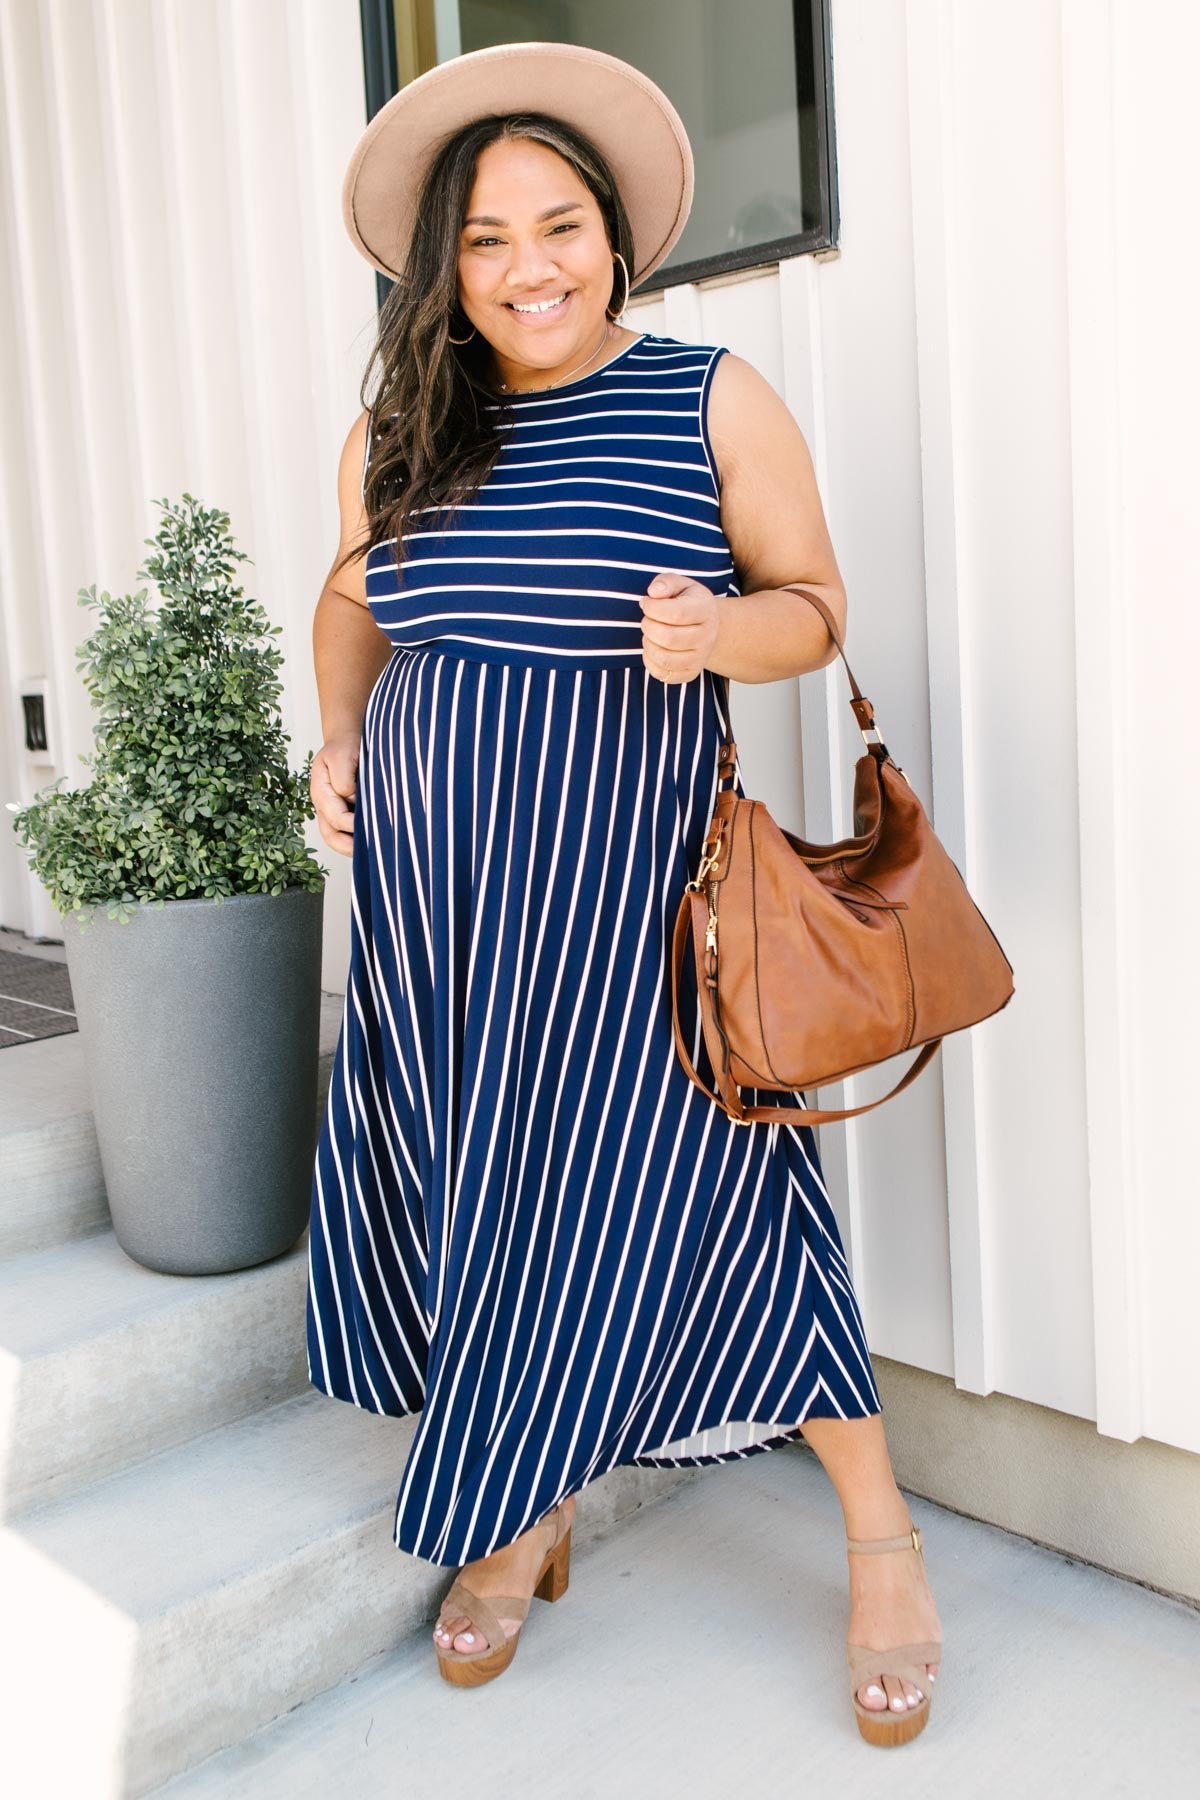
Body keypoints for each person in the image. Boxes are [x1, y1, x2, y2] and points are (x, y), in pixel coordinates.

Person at [306, 41, 942, 1743]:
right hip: (442, 931)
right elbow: (352, 600)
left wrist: (722, 632)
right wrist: (338, 736)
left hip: (636, 925)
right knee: (495, 1217)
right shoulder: (405, 423)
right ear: (445, 263)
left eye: (561, 225)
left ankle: (883, 1543)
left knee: (742, 1215)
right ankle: (524, 1522)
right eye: (491, 238)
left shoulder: (709, 396)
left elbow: (814, 603)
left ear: (616, 238)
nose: (531, 267)